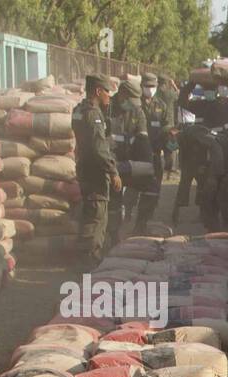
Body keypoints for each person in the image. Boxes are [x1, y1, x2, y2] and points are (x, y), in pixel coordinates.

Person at [71, 74, 122, 263]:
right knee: (96, 217)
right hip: (95, 172)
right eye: (107, 92)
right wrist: (113, 171)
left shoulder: (78, 110)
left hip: (84, 167)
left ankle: (86, 255)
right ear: (98, 91)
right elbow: (99, 148)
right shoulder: (93, 114)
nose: (109, 96)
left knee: (90, 212)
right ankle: (89, 258)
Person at [108, 75, 151, 244]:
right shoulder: (106, 108)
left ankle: (136, 224)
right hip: (109, 162)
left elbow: (142, 138)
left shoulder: (137, 111)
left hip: (127, 162)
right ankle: (111, 236)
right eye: (131, 100)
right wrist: (113, 169)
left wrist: (146, 163)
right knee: (113, 202)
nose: (132, 105)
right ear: (122, 95)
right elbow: (102, 144)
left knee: (140, 188)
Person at [134, 73, 173, 230]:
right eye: (147, 87)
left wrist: (170, 155)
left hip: (155, 155)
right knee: (132, 191)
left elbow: (170, 132)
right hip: (136, 155)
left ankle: (143, 222)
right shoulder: (135, 105)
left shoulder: (162, 106)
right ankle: (126, 217)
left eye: (152, 87)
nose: (149, 90)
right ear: (141, 87)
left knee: (152, 192)